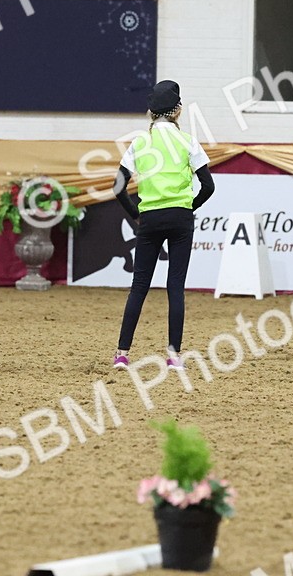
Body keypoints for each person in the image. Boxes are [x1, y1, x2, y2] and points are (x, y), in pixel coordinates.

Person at [111, 80, 214, 371]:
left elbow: (118, 187)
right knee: (175, 287)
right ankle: (173, 356)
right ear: (177, 111)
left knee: (139, 286)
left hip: (151, 218)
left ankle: (122, 354)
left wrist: (137, 215)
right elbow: (208, 186)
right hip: (180, 218)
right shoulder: (188, 141)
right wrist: (189, 206)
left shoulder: (140, 142)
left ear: (150, 112)